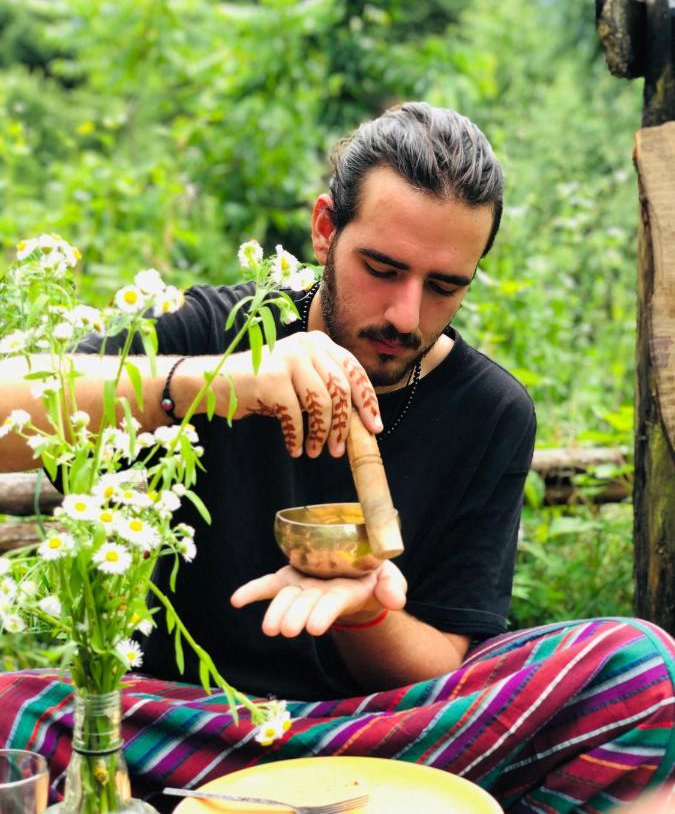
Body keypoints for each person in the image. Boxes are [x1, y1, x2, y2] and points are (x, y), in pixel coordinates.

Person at [0, 103, 673, 812]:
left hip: (394, 741)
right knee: (16, 711)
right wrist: (214, 382)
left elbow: (442, 661)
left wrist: (365, 614)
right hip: (194, 729)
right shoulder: (223, 333)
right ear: (325, 227)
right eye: (382, 269)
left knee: (642, 673)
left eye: (444, 287)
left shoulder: (490, 411)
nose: (405, 317)